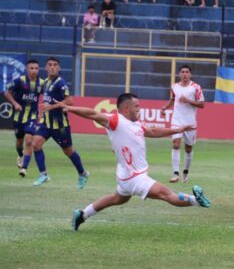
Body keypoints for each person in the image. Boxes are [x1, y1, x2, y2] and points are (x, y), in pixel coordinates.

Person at [69, 93, 211, 231]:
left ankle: (82, 214)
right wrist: (68, 108)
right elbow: (92, 114)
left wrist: (177, 130)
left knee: (117, 199)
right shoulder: (115, 120)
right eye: (136, 106)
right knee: (166, 194)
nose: (139, 108)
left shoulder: (136, 124)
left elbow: (153, 131)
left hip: (126, 174)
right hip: (133, 177)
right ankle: (196, 200)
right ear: (126, 108)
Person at [32, 57, 89, 188]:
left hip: (60, 125)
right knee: (36, 144)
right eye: (50, 65)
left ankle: (83, 173)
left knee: (68, 151)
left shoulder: (60, 83)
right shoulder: (45, 82)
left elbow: (70, 101)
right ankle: (43, 175)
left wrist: (51, 107)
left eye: (55, 65)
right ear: (46, 68)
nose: (52, 67)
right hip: (46, 123)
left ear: (59, 68)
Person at [161, 65, 205, 183]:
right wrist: (165, 108)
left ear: (190, 74)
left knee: (188, 148)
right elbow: (172, 99)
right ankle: (175, 173)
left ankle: (185, 171)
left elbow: (202, 104)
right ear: (179, 74)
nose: (185, 74)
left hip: (190, 121)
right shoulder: (174, 86)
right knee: (175, 144)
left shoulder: (195, 87)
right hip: (177, 120)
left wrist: (188, 101)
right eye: (182, 72)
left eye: (187, 72)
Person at [4, 59, 44, 177]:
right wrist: (15, 104)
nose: (34, 71)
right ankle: (20, 155)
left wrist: (43, 110)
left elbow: (46, 96)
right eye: (31, 68)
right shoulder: (19, 81)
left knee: (29, 140)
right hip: (18, 117)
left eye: (36, 68)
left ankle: (24, 168)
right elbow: (7, 92)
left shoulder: (42, 83)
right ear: (27, 70)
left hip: (32, 116)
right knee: (19, 142)